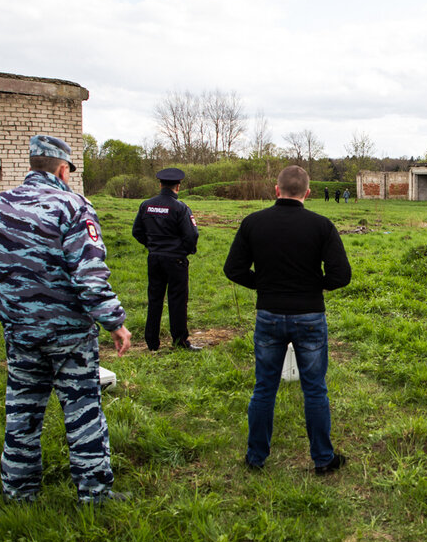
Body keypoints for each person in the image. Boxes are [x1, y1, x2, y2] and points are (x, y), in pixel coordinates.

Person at [0, 135, 132, 505]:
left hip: (21, 332)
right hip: (69, 335)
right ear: (63, 169)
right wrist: (115, 323)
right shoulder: (73, 206)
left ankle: (19, 491)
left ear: (31, 165)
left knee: (22, 412)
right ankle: (94, 493)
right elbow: (89, 276)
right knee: (83, 412)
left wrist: (17, 297)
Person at [224, 165, 352, 474]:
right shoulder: (322, 225)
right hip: (309, 315)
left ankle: (256, 458)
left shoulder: (253, 222)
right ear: (308, 193)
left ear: (276, 190)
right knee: (315, 389)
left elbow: (233, 269)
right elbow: (341, 275)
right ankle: (323, 459)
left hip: (268, 313)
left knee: (264, 388)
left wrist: (264, 284)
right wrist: (312, 285)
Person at [132, 168, 201, 352]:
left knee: (154, 299)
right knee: (177, 300)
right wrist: (183, 251)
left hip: (154, 258)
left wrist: (152, 245)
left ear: (160, 184)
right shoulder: (181, 208)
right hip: (175, 260)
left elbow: (136, 231)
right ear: (177, 186)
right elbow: (192, 234)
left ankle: (151, 342)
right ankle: (179, 341)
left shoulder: (146, 205)